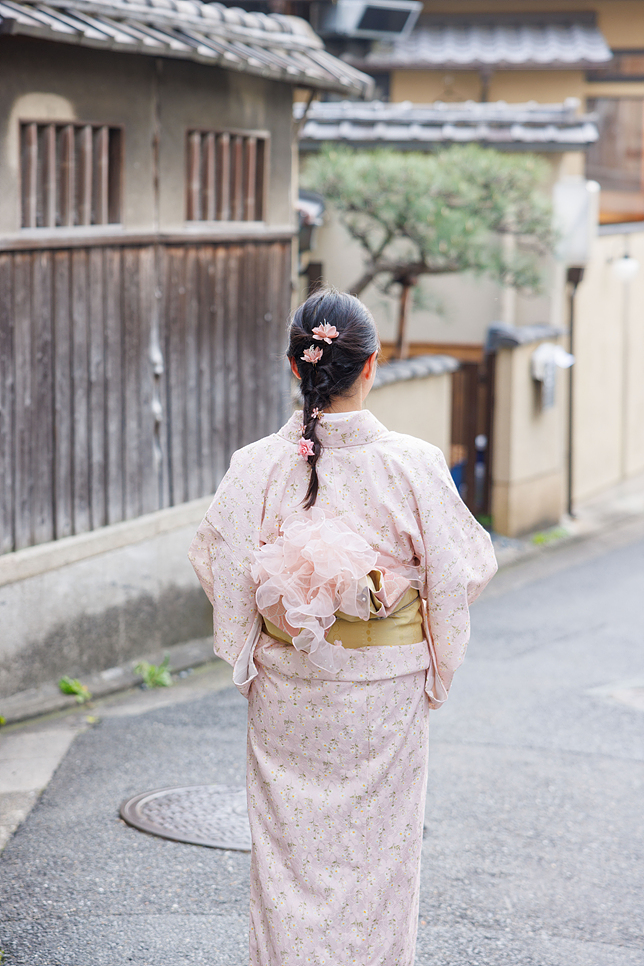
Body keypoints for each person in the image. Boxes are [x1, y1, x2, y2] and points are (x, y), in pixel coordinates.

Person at [189, 289, 497, 965]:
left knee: (287, 860)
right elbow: (462, 570)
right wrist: (436, 663)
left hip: (288, 684)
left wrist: (252, 651)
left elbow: (220, 562)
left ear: (296, 367)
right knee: (380, 861)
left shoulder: (257, 466)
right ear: (372, 366)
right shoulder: (411, 464)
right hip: (385, 691)